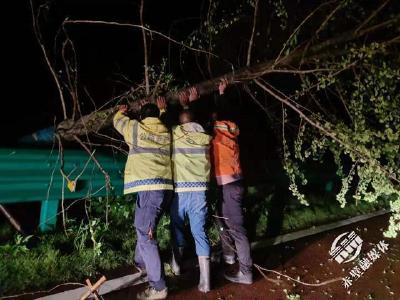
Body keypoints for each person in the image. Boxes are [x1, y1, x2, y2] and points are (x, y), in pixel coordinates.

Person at [113, 99, 173, 300]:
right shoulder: (165, 131)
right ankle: (141, 263)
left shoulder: (135, 129)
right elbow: (161, 121)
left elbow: (119, 123)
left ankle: (158, 287)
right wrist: (163, 109)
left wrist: (121, 112)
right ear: (157, 116)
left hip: (149, 188)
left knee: (146, 234)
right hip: (162, 188)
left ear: (141, 117)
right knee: (143, 227)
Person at [158, 88, 212, 293]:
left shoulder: (176, 133)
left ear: (181, 123)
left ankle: (177, 265)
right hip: (200, 191)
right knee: (200, 232)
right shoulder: (205, 135)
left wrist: (164, 110)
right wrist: (189, 105)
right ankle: (206, 282)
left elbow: (165, 125)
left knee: (177, 227)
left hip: (180, 191)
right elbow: (197, 119)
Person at [211, 79, 253, 284]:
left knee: (236, 227)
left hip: (229, 185)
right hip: (232, 184)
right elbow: (225, 112)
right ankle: (229, 255)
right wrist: (221, 94)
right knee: (222, 218)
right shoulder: (230, 131)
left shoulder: (218, 133)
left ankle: (246, 272)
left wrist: (220, 95)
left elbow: (218, 114)